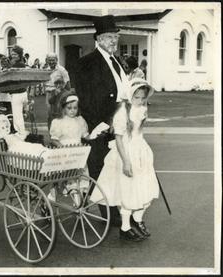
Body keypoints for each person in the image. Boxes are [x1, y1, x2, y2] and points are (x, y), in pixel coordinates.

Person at [74, 15, 130, 227]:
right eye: (108, 37)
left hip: (120, 122)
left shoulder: (117, 61)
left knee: (113, 167)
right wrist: (103, 124)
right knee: (100, 168)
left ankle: (109, 207)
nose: (113, 41)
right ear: (98, 39)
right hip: (101, 125)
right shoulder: (86, 63)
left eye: (115, 37)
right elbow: (86, 99)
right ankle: (108, 213)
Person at [90, 78, 159, 241]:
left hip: (140, 150)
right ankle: (125, 227)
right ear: (129, 95)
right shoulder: (122, 113)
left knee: (144, 187)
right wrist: (126, 162)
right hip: (125, 153)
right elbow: (119, 139)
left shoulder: (142, 109)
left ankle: (137, 220)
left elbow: (139, 133)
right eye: (137, 97)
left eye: (143, 98)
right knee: (128, 190)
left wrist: (145, 153)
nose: (140, 101)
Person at [48, 93, 91, 205]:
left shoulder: (80, 120)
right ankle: (69, 191)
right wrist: (61, 147)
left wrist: (95, 134)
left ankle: (81, 195)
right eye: (69, 108)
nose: (72, 111)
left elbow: (85, 135)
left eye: (75, 108)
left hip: (79, 153)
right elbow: (54, 139)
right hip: (66, 154)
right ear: (63, 108)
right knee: (70, 176)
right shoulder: (58, 122)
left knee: (82, 175)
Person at [44, 53, 70, 128]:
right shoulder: (45, 70)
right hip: (49, 94)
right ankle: (51, 133)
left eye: (53, 60)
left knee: (59, 113)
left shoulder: (62, 70)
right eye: (49, 60)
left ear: (57, 60)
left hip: (59, 93)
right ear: (47, 60)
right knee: (50, 114)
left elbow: (67, 82)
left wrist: (67, 95)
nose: (51, 62)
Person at [9, 45, 29, 140]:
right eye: (12, 54)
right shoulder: (21, 63)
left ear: (19, 55)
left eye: (15, 54)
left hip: (18, 93)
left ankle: (21, 135)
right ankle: (21, 133)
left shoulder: (18, 64)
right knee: (19, 115)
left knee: (17, 115)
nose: (13, 56)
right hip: (21, 92)